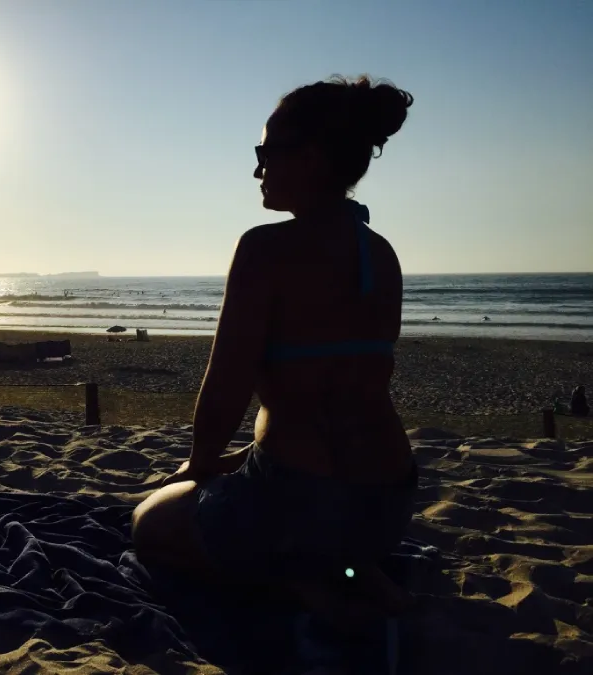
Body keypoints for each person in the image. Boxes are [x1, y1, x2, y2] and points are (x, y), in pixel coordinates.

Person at [132, 75, 418, 625]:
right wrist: (239, 459)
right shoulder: (381, 254)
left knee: (150, 523)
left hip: (300, 504)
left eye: (265, 154)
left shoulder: (264, 249)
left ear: (309, 158)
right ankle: (351, 569)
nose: (257, 170)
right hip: (387, 504)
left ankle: (292, 578)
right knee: (319, 531)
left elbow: (227, 384)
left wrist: (198, 464)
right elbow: (338, 391)